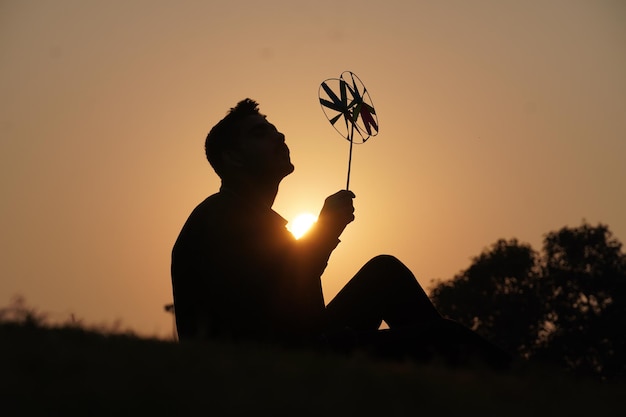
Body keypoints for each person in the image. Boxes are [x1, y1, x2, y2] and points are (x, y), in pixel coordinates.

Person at [171, 98, 511, 368]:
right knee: (445, 338)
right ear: (232, 158)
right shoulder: (219, 218)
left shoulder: (256, 219)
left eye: (276, 130)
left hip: (295, 348)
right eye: (260, 133)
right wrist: (325, 231)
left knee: (384, 273)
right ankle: (536, 388)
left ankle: (456, 381)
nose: (280, 137)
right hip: (268, 366)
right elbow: (278, 299)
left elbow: (297, 305)